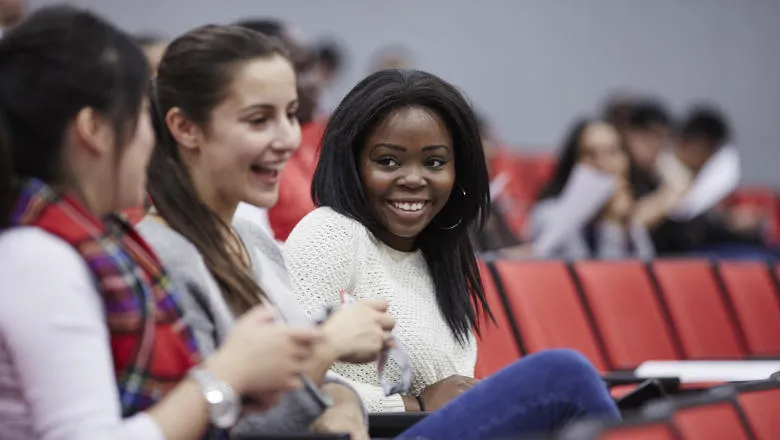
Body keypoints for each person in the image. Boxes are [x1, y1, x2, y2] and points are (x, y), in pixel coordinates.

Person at [0, 7, 318, 440]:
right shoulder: (42, 257)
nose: (153, 140)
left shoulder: (96, 241)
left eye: (291, 113)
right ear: (94, 128)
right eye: (142, 117)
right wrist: (226, 376)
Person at [284, 69, 621, 439]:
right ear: (351, 164)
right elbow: (289, 383)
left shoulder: (439, 254)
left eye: (434, 163)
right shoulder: (330, 231)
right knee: (564, 375)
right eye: (388, 161)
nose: (414, 179)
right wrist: (415, 404)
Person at [136, 24, 392, 440]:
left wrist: (343, 402)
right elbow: (219, 426)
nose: (288, 139)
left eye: (291, 114)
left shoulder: (252, 240)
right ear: (185, 128)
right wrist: (326, 348)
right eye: (259, 120)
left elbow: (313, 393)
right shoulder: (160, 257)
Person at [233, 18, 327, 242]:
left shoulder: (329, 134)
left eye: (312, 67)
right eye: (300, 70)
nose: (314, 81)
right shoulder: (252, 157)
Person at [530, 118, 655, 260]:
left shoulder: (624, 211)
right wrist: (611, 224)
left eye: (612, 152)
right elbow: (599, 278)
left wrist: (625, 224)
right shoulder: (550, 216)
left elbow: (646, 271)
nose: (603, 164)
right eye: (590, 154)